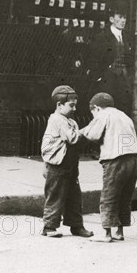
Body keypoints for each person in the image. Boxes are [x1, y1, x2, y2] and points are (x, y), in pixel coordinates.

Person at [80, 92, 137, 242]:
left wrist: (81, 131)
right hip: (133, 160)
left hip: (115, 160)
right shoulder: (124, 116)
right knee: (124, 196)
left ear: (96, 108)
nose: (93, 116)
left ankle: (107, 234)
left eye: (92, 112)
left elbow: (93, 135)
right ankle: (119, 232)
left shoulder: (103, 115)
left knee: (109, 196)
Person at [40, 85, 94, 238]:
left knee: (74, 197)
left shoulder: (71, 122)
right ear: (59, 105)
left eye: (75, 105)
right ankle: (49, 226)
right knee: (55, 195)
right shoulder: (57, 119)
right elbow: (73, 138)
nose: (75, 108)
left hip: (70, 166)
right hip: (57, 166)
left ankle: (76, 226)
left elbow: (77, 142)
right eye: (71, 105)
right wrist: (89, 129)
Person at [86, 5, 134, 116]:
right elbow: (93, 60)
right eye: (120, 17)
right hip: (107, 82)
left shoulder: (128, 38)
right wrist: (100, 77)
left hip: (124, 82)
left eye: (125, 18)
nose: (123, 20)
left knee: (123, 111)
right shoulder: (101, 37)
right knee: (106, 112)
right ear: (112, 19)